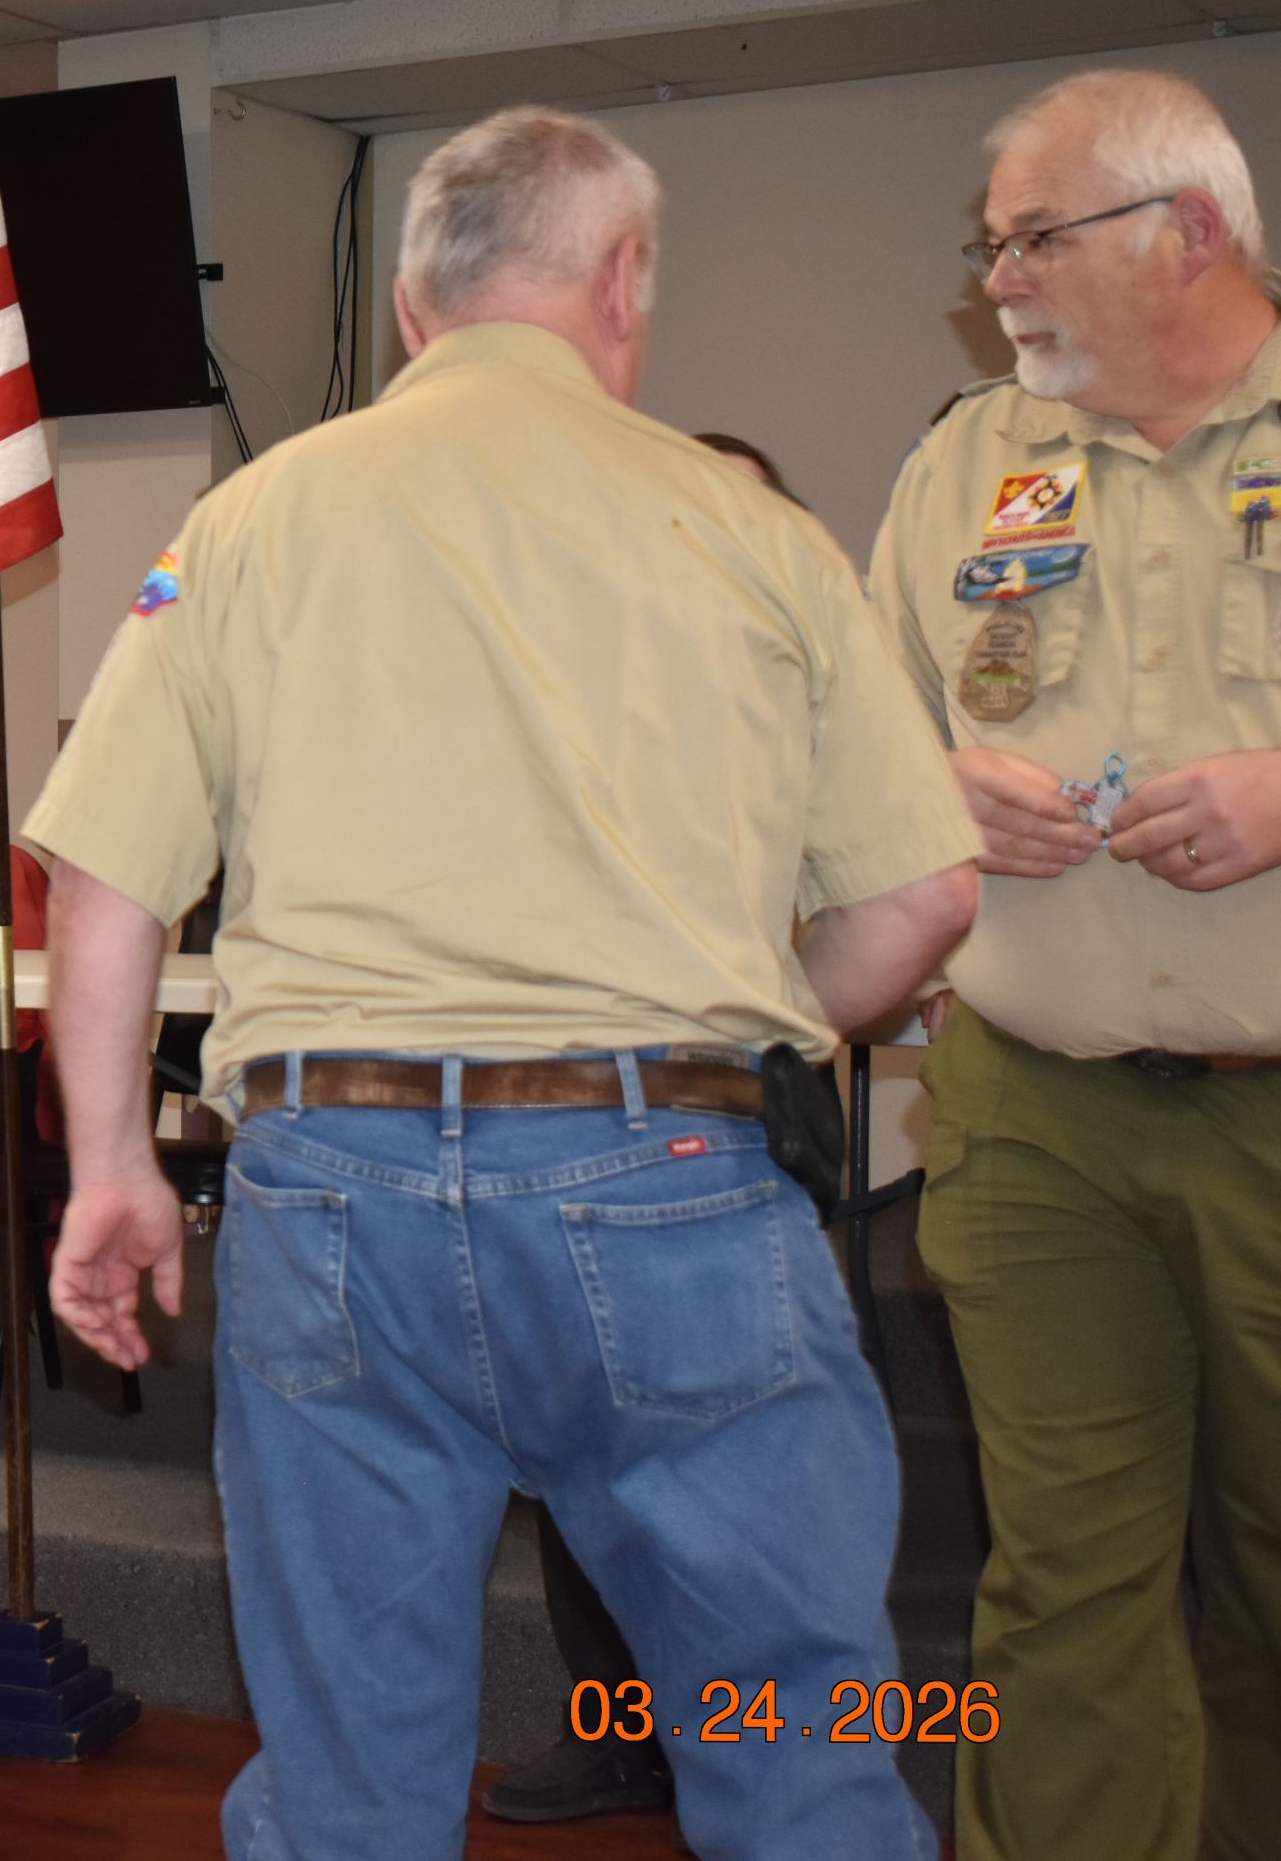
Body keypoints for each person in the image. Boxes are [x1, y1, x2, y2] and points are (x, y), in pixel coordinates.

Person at [26, 106, 980, 1861]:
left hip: (332, 1187)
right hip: (672, 1179)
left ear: (413, 307)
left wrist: (108, 1167)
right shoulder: (754, 531)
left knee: (348, 1777)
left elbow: (104, 878)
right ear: (624, 281)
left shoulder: (247, 520)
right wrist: (738, 1018)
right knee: (802, 1749)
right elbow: (924, 898)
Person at [863, 67, 1281, 1861]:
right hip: (1035, 1114)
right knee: (1064, 1582)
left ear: (1190, 229)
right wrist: (929, 789)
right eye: (992, 246)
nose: (1000, 282)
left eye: (1035, 239)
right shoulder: (970, 457)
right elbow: (854, 738)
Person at [485, 429, 809, 1833]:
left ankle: (751, 1741)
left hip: (742, 1101)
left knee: (737, 1453)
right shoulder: (564, 704)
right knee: (581, 1431)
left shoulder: (816, 705)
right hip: (569, 1104)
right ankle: (620, 1723)